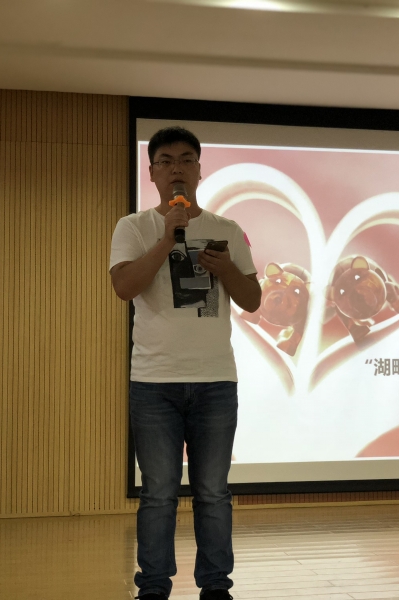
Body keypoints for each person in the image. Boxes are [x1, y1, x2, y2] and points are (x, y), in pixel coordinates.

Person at [109, 126, 261, 600]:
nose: (177, 168)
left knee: (213, 492)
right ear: (152, 172)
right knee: (158, 493)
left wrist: (227, 269)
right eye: (166, 161)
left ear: (199, 170)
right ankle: (154, 588)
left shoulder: (226, 229)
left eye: (186, 160)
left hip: (215, 381)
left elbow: (253, 299)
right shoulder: (133, 227)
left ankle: (215, 587)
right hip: (154, 383)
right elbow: (124, 287)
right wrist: (167, 240)